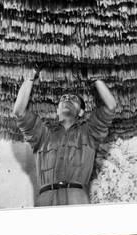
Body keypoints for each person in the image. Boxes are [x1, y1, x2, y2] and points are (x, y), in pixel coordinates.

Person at [13, 67, 116, 206]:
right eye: (63, 98)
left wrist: (95, 78)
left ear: (80, 112)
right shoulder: (43, 134)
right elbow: (19, 112)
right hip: (45, 197)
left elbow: (111, 106)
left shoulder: (89, 133)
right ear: (57, 110)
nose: (67, 99)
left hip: (76, 196)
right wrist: (30, 77)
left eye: (73, 99)